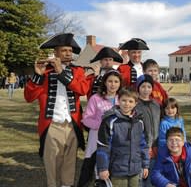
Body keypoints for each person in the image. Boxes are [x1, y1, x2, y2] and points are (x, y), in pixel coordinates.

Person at [24, 33, 90, 187]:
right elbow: (29, 97)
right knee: (52, 161)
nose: (68, 53)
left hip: (72, 124)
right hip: (51, 123)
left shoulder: (77, 71)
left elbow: (83, 89)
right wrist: (37, 76)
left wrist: (61, 72)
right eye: (64, 50)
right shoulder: (44, 72)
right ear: (55, 53)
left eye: (69, 51)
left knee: (69, 161)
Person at [96, 87, 149, 187]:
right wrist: (103, 168)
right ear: (118, 100)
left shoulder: (139, 122)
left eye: (130, 101)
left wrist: (145, 165)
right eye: (124, 100)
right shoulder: (110, 121)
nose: (127, 104)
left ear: (135, 103)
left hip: (135, 169)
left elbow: (143, 145)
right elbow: (103, 146)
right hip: (117, 169)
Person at [77, 70, 122, 187]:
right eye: (110, 81)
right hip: (97, 139)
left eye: (116, 81)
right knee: (94, 168)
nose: (113, 84)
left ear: (120, 84)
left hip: (116, 141)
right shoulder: (96, 98)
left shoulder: (122, 99)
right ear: (105, 83)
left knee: (112, 170)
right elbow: (86, 119)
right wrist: (101, 125)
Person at [135, 74, 161, 187]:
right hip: (141, 147)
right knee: (140, 176)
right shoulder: (135, 105)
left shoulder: (156, 104)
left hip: (155, 146)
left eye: (149, 87)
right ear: (138, 88)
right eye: (143, 87)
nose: (146, 90)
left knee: (151, 175)